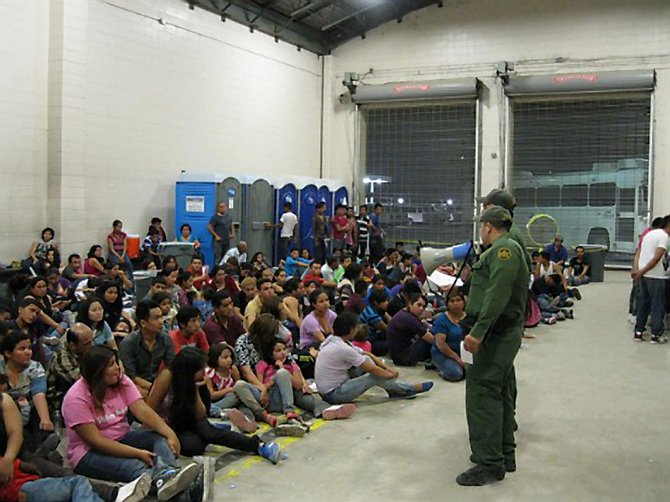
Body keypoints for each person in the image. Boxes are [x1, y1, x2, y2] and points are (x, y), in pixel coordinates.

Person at [62, 346, 201, 500]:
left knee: (159, 439)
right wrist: (137, 453)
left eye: (116, 362)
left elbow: (142, 410)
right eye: (111, 365)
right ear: (97, 371)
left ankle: (166, 474)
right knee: (137, 467)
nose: (117, 368)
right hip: (88, 453)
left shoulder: (121, 380)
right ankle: (183, 492)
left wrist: (170, 433)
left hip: (122, 436)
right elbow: (97, 441)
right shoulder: (75, 398)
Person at [456, 205, 529, 486]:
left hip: (495, 334)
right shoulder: (504, 249)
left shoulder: (504, 250)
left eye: (481, 226)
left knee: (483, 395)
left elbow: (497, 293)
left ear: (488, 226)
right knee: (500, 391)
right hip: (499, 333)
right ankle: (503, 454)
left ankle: (489, 463)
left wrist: (478, 331)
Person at [146, 347, 281, 463]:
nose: (204, 373)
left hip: (187, 418)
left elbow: (201, 413)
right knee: (194, 446)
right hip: (167, 424)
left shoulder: (193, 381)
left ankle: (259, 445)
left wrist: (195, 389)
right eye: (200, 370)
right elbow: (148, 410)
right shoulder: (167, 376)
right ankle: (215, 429)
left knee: (210, 433)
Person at [315, 312, 433, 404]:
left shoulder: (335, 340)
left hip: (333, 386)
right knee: (374, 377)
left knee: (368, 360)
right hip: (333, 394)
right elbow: (372, 370)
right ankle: (408, 389)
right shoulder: (342, 348)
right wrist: (390, 375)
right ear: (351, 330)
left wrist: (387, 368)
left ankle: (395, 390)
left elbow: (367, 354)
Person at [0, 332, 53, 452]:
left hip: (29, 408)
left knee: (39, 415)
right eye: (22, 349)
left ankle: (42, 445)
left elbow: (38, 393)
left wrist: (45, 419)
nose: (28, 352)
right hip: (6, 411)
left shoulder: (34, 367)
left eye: (29, 348)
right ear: (8, 353)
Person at [119, 300, 176, 398]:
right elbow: (130, 376)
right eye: (156, 318)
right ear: (143, 323)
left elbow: (172, 365)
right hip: (136, 384)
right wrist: (155, 387)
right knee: (143, 394)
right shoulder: (128, 343)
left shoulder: (165, 338)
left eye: (161, 316)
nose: (161, 321)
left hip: (157, 381)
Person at [632, 214, 670, 343]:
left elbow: (639, 253)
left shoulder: (649, 234)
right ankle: (656, 335)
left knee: (643, 304)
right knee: (657, 305)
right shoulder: (664, 237)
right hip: (655, 276)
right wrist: (641, 271)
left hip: (644, 276)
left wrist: (638, 271)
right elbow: (656, 258)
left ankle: (638, 332)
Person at [477, 188, 532, 269]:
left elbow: (503, 275)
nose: (483, 210)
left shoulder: (507, 234)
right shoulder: (507, 230)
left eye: (486, 207)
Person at [46, 323, 94, 413]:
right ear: (73, 345)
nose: (92, 345)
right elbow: (82, 380)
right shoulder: (61, 357)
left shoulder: (87, 350)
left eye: (92, 340)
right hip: (60, 401)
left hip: (83, 394)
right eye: (87, 343)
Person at [386, 293, 434, 367]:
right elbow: (431, 339)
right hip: (404, 358)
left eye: (423, 307)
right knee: (430, 339)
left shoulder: (404, 313)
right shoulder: (409, 319)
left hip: (397, 356)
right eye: (419, 305)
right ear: (410, 304)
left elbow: (422, 325)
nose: (421, 308)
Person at [430, 292, 466, 382]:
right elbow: (440, 344)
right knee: (456, 374)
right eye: (452, 301)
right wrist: (457, 359)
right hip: (444, 353)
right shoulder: (441, 319)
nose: (455, 303)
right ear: (447, 304)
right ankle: (438, 367)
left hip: (464, 353)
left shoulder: (468, 317)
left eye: (458, 300)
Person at [208, 202, 234, 266]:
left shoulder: (228, 217)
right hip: (218, 241)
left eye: (224, 206)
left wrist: (232, 233)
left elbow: (231, 225)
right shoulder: (215, 217)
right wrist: (216, 236)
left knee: (226, 257)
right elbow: (209, 227)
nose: (223, 208)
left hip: (226, 240)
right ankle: (217, 271)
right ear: (218, 208)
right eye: (221, 207)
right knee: (218, 257)